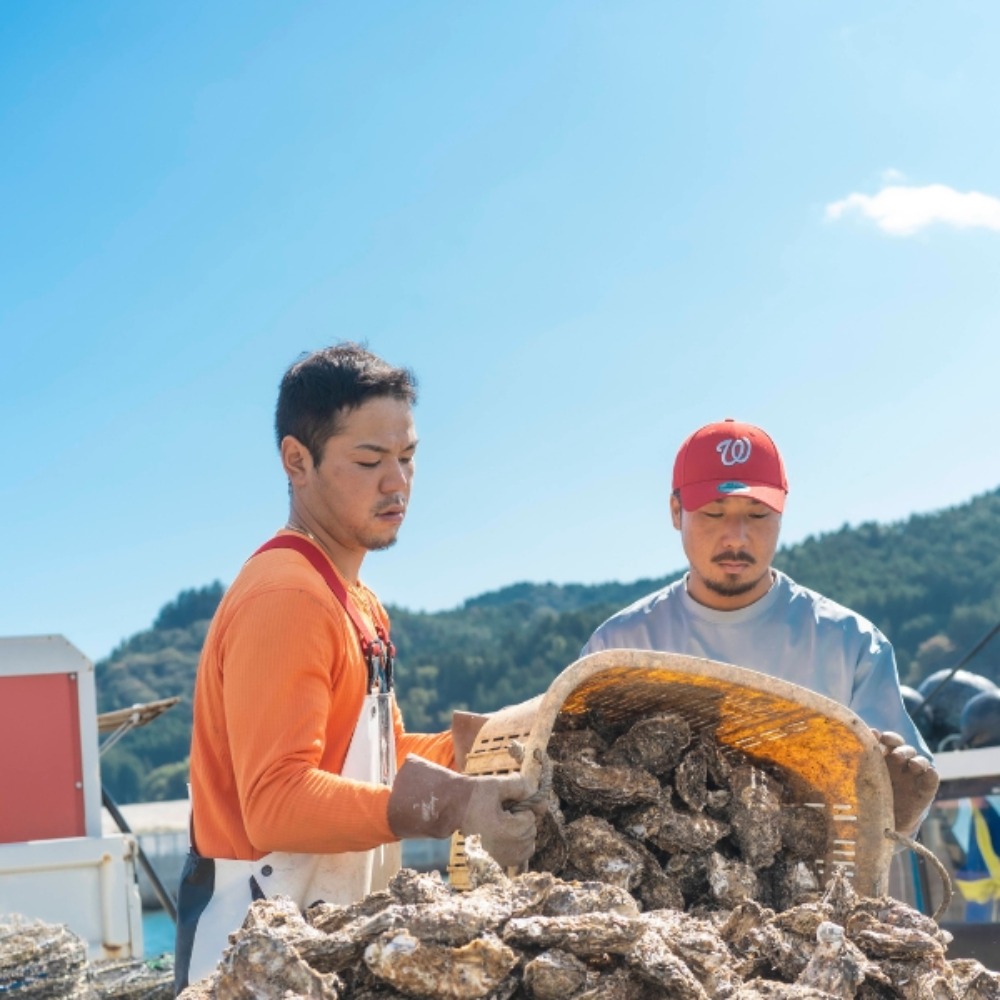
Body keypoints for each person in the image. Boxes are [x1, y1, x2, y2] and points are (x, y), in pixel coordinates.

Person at [175, 344, 538, 991]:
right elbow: (275, 803)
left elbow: (379, 763)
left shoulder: (358, 603)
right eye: (369, 461)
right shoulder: (286, 595)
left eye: (408, 456)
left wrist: (488, 746)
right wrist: (451, 805)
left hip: (319, 946)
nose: (397, 482)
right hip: (247, 959)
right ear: (297, 461)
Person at [581, 417, 938, 840]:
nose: (736, 537)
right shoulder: (619, 648)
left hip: (819, 877)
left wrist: (901, 814)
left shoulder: (849, 644)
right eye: (714, 513)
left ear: (782, 512)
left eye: (757, 514)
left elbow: (891, 818)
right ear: (677, 512)